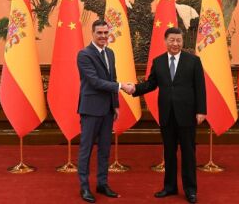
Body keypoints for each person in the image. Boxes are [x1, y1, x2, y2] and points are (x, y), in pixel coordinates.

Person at [132, 27, 206, 203]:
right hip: (166, 115)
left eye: (178, 40)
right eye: (172, 40)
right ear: (165, 41)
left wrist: (201, 110)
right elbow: (151, 84)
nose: (175, 43)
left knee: (188, 153)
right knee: (169, 153)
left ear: (182, 41)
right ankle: (170, 187)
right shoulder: (158, 62)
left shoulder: (193, 61)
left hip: (187, 115)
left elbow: (200, 88)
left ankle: (190, 190)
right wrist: (134, 89)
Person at [77, 19, 134, 203]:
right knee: (86, 150)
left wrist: (115, 104)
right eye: (99, 33)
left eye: (105, 33)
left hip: (108, 110)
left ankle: (102, 183)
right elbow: (94, 82)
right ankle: (84, 187)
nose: (103, 36)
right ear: (92, 34)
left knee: (104, 150)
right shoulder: (84, 54)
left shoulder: (110, 53)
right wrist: (121, 87)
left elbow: (112, 77)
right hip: (91, 109)